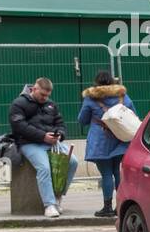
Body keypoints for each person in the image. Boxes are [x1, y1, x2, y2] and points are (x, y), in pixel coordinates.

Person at [9, 77, 78, 218]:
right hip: (29, 143)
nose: (45, 98)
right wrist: (43, 136)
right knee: (44, 168)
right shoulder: (18, 103)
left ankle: (58, 196)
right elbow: (19, 126)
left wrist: (60, 135)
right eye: (42, 95)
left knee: (73, 162)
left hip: (51, 141)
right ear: (34, 89)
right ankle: (49, 204)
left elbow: (60, 123)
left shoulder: (51, 104)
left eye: (47, 95)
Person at [78, 70, 137, 219]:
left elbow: (82, 120)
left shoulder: (91, 99)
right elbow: (132, 114)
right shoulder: (122, 96)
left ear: (96, 83)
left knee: (106, 173)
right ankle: (121, 205)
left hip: (100, 139)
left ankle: (107, 207)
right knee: (117, 172)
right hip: (119, 137)